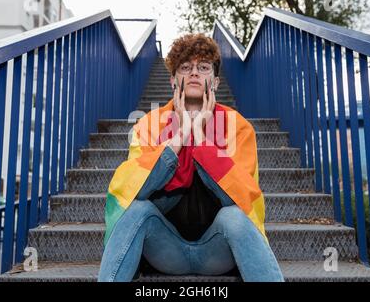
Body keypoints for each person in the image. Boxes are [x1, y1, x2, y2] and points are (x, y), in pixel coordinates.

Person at [97, 33, 284, 282]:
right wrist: (181, 134)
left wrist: (200, 135)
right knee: (137, 211)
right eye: (185, 67)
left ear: (216, 82)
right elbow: (133, 192)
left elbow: (238, 199)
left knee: (235, 216)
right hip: (165, 250)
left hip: (219, 250)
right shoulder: (149, 124)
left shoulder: (237, 127)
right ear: (174, 81)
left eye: (203, 67)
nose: (194, 73)